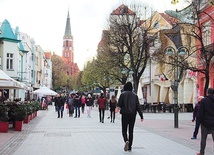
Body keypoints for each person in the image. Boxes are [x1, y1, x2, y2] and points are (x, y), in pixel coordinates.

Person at [118, 82, 144, 152]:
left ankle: (126, 140)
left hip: (125, 114)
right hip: (133, 115)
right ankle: (130, 146)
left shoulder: (122, 94)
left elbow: (119, 104)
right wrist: (141, 115)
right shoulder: (135, 95)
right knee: (131, 131)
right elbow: (138, 106)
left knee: (124, 130)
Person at [197, 88, 214, 155]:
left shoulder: (204, 100)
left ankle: (202, 152)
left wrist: (200, 120)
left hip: (205, 123)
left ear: (207, 93)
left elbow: (201, 112)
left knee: (203, 138)